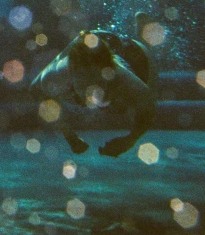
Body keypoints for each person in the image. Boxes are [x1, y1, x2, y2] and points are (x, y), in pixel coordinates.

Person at [30, 12, 158, 157]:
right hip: (91, 45)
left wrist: (129, 141)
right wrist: (69, 136)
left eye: (96, 81)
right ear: (72, 72)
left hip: (127, 51)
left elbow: (149, 105)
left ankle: (145, 34)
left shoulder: (120, 75)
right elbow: (36, 90)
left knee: (144, 69)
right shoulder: (59, 73)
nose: (90, 90)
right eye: (84, 83)